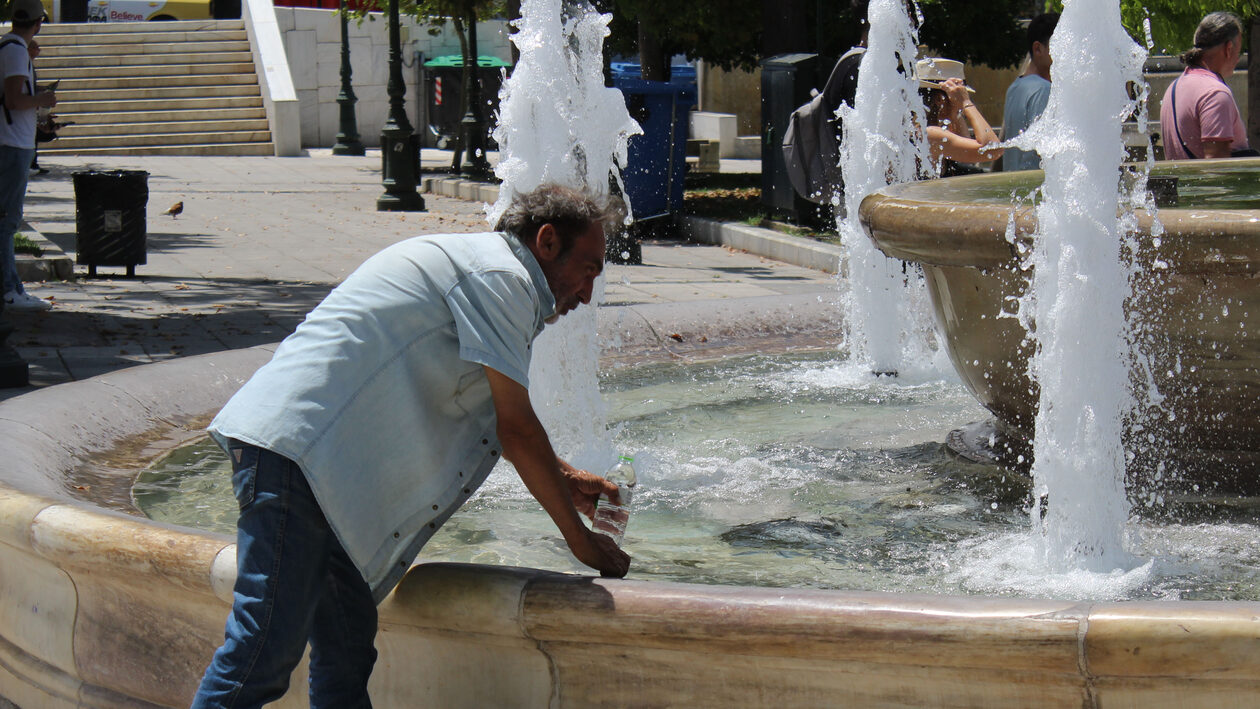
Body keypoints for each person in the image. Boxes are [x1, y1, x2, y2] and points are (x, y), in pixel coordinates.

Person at [190, 183, 631, 708]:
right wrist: (581, 545)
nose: (587, 293)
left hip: (317, 470)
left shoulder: (486, 271)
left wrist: (564, 478)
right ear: (548, 240)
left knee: (346, 655)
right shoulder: (502, 277)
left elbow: (494, 416)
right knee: (262, 652)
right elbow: (517, 428)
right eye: (589, 269)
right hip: (297, 458)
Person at [0, 0, 54, 312]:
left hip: (10, 142)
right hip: (12, 145)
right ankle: (9, 290)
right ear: (38, 22)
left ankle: (11, 287)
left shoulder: (11, 47)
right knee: (8, 220)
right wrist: (42, 99)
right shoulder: (16, 50)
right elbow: (13, 99)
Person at [1159, 12, 1254, 160]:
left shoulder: (1174, 88)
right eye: (1239, 51)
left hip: (1181, 183)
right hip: (1206, 183)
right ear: (1229, 49)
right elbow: (1216, 171)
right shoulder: (1215, 94)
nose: (1238, 58)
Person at [916, 58, 1003, 173]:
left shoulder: (920, 130)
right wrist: (966, 103)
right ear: (939, 99)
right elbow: (991, 149)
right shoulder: (930, 134)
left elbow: (968, 156)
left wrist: (953, 114)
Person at [1001, 12, 1059, 171]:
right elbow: (1041, 154)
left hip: (1014, 189)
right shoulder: (1044, 90)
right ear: (1038, 48)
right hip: (1036, 191)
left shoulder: (1014, 88)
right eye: (1060, 46)